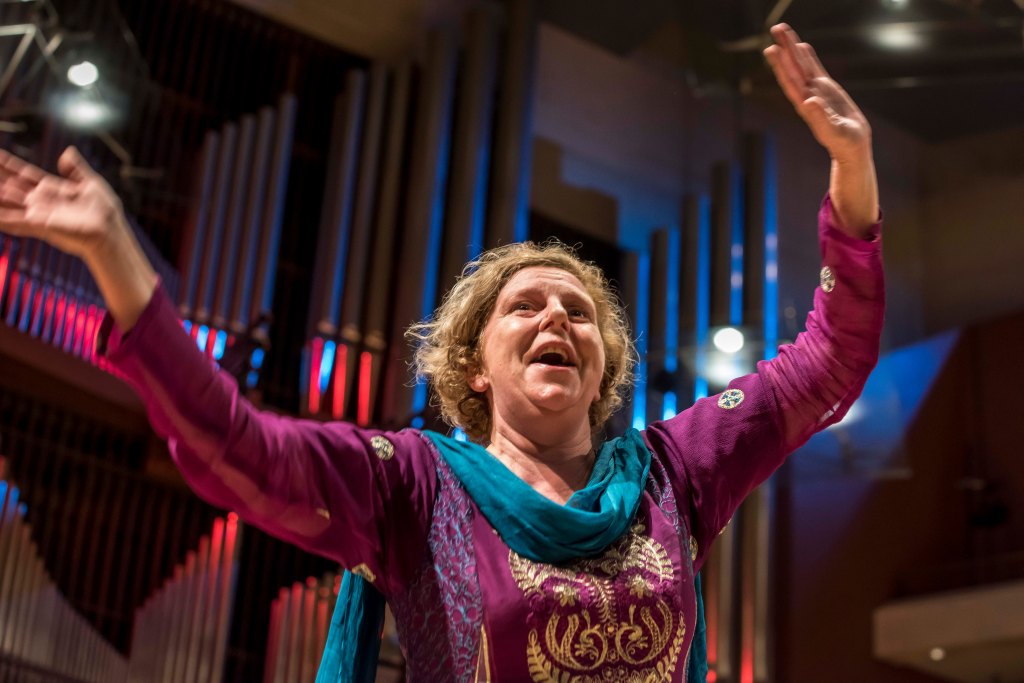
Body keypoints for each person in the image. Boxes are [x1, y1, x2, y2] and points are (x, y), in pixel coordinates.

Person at [0, 24, 882, 683]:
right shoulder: (414, 485)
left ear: (605, 371)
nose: (557, 317)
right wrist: (120, 260)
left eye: (579, 313)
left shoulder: (673, 474)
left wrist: (853, 169)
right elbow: (243, 451)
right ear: (473, 368)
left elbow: (830, 362)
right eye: (524, 307)